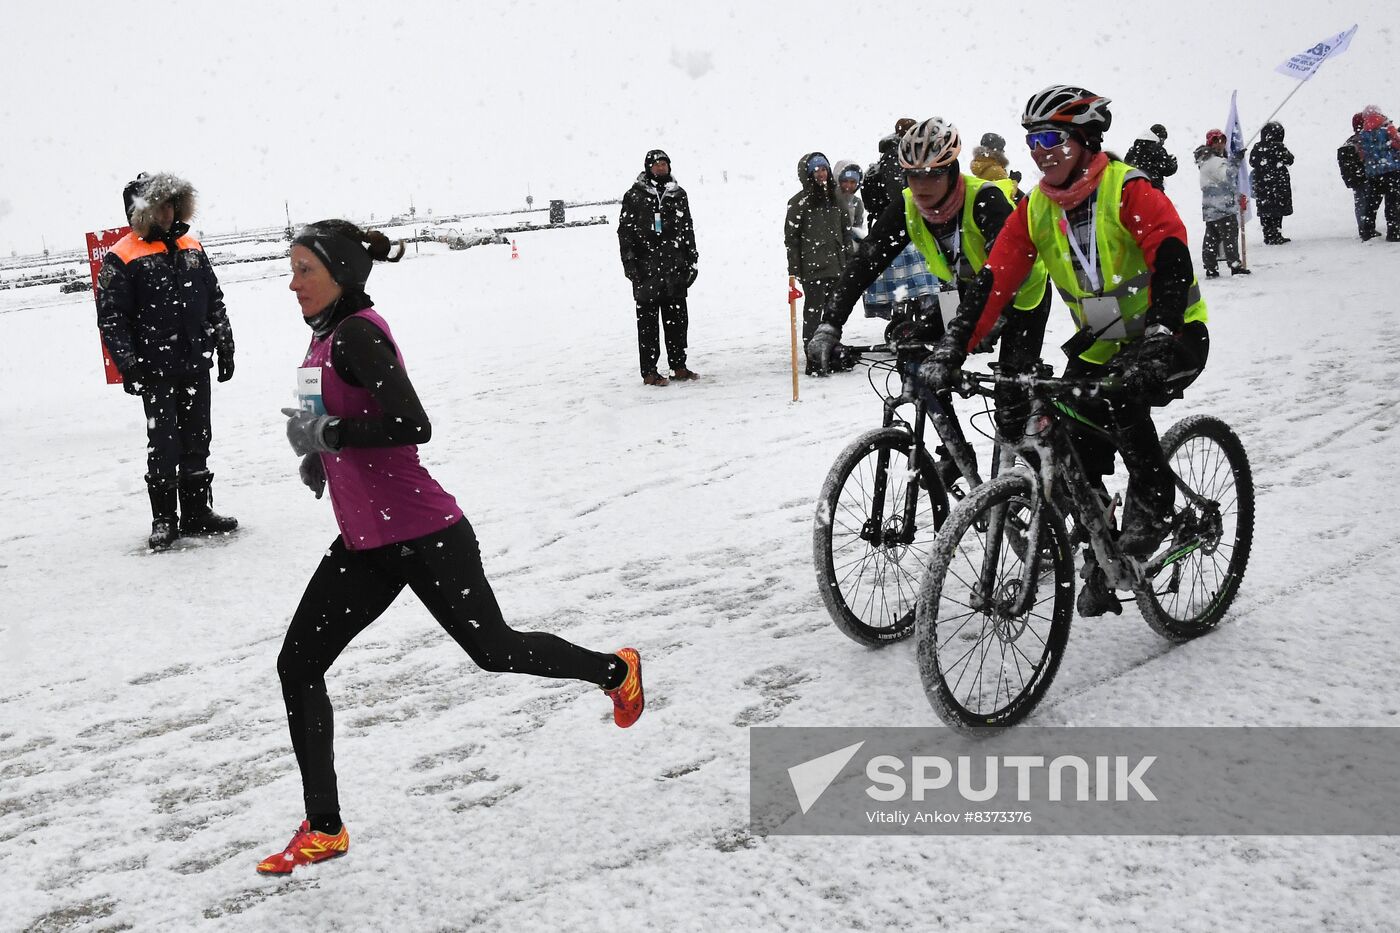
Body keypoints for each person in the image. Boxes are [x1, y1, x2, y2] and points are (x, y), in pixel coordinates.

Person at [261, 221, 644, 876]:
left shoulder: (355, 333)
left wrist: (334, 430)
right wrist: (319, 455)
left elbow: (414, 423)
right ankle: (324, 825)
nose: (292, 283)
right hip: (366, 539)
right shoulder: (324, 336)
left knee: (494, 650)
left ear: (341, 274)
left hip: (424, 533)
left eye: (304, 270)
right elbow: (339, 425)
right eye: (290, 268)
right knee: (297, 664)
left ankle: (616, 669)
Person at [918, 85, 1209, 618]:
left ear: (1084, 139)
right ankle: (1102, 540)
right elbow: (995, 280)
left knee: (1121, 404)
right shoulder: (1036, 209)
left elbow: (1169, 251)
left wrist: (1163, 331)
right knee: (1066, 419)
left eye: (1052, 137)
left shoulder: (1127, 189)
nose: (1040, 151)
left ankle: (1154, 503)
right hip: (1101, 340)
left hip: (1171, 335)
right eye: (1032, 140)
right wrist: (953, 347)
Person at [806, 117, 1052, 481]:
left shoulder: (985, 199)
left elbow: (1007, 271)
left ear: (952, 171)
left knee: (1009, 398)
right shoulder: (907, 206)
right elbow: (865, 261)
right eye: (912, 175)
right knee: (911, 350)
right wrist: (830, 323)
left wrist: (981, 328)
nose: (921, 185)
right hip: (962, 293)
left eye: (931, 175)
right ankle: (954, 451)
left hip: (1019, 296)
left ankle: (1031, 475)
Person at [96, 172, 238, 550]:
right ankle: (164, 519)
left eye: (171, 203)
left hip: (195, 362)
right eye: (159, 205)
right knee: (164, 443)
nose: (167, 211)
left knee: (197, 437)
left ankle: (196, 513)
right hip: (154, 370)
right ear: (140, 211)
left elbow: (214, 300)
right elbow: (112, 318)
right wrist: (129, 366)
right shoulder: (122, 255)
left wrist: (224, 344)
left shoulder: (191, 246)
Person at [618, 149, 700, 386]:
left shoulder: (678, 194)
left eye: (664, 164)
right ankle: (650, 372)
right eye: (657, 165)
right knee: (648, 327)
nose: (661, 168)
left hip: (675, 271)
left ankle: (678, 366)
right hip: (646, 272)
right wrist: (630, 265)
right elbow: (625, 233)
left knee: (677, 322)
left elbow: (688, 229)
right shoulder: (634, 196)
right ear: (648, 168)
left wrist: (691, 261)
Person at [785, 152, 853, 374]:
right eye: (816, 170)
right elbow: (792, 240)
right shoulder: (798, 203)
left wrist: (849, 260)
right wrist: (794, 270)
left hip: (837, 266)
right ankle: (813, 356)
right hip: (813, 269)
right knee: (813, 315)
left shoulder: (836, 198)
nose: (821, 174)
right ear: (807, 174)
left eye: (824, 169)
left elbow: (846, 232)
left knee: (833, 314)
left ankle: (831, 352)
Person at [1195, 129, 1250, 277]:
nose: (1220, 144)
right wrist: (1236, 161)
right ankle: (1235, 266)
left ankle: (1210, 267)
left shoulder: (1204, 161)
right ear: (1209, 143)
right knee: (1229, 237)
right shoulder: (1215, 161)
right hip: (1223, 207)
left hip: (1210, 208)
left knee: (1211, 239)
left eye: (1222, 140)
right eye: (1215, 141)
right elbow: (1227, 176)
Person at [1355, 105, 1400, 241]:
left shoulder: (1362, 133)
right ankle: (1394, 232)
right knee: (1393, 203)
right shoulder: (1387, 128)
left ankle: (1367, 231)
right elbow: (1398, 144)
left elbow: (1361, 154)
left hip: (1373, 173)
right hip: (1392, 171)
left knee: (1372, 203)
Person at [1249, 121, 1294, 245]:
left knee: (1267, 211)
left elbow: (1253, 162)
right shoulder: (1278, 147)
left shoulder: (1258, 147)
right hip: (1277, 184)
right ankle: (1274, 234)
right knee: (1276, 211)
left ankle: (1270, 234)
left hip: (1264, 185)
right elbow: (1290, 159)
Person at [1339, 112, 1382, 240]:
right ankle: (1367, 228)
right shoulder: (1365, 139)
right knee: (1367, 201)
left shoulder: (1350, 141)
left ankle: (1362, 226)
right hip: (1366, 176)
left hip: (1355, 178)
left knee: (1359, 201)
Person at [1124, 124, 1178, 192]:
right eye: (1163, 139)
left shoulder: (1134, 148)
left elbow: (1126, 163)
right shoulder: (1158, 150)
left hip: (1133, 187)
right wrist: (1173, 162)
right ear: (1158, 137)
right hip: (1153, 188)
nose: (1163, 143)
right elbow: (1168, 169)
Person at [834, 161, 866, 239]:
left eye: (853, 182)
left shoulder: (857, 203)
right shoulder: (828, 200)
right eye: (845, 181)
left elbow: (857, 229)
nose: (848, 186)